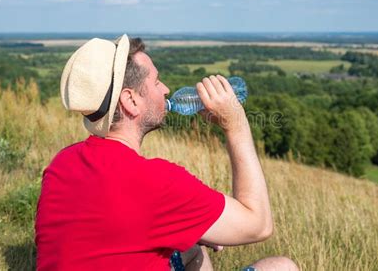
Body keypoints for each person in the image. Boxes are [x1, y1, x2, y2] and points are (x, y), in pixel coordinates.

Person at [35, 35, 299, 271]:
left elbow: (109, 229)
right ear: (131, 101)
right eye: (157, 81)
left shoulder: (62, 162)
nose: (165, 90)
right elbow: (259, 224)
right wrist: (235, 124)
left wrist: (193, 228)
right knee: (282, 267)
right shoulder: (157, 182)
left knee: (188, 247)